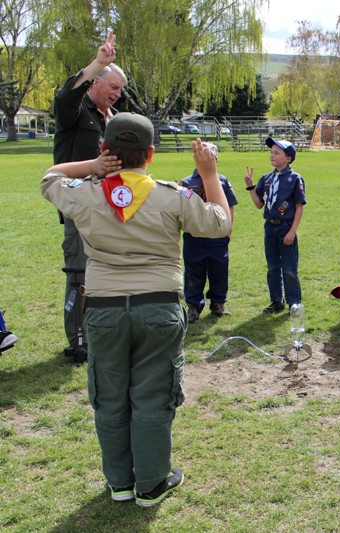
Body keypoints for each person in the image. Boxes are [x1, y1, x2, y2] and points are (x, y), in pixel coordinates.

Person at [41, 113, 231, 507]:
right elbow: (219, 224)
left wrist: (94, 167)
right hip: (158, 307)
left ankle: (120, 483)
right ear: (150, 154)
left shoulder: (86, 192)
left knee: (110, 397)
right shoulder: (169, 194)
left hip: (105, 309)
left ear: (104, 149)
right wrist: (209, 173)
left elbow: (50, 176)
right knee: (152, 395)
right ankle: (150, 483)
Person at [53, 31, 127, 363]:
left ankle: (103, 330)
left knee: (108, 266)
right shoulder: (76, 111)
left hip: (107, 204)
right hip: (78, 204)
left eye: (121, 90)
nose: (117, 94)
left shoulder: (106, 119)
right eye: (113, 87)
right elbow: (64, 97)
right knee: (79, 272)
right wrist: (99, 61)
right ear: (95, 83)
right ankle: (77, 340)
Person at [244, 138, 306, 313]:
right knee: (272, 267)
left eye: (277, 152)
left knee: (289, 268)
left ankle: (294, 303)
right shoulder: (267, 178)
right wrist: (250, 186)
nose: (272, 155)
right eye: (271, 152)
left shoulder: (295, 179)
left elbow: (299, 206)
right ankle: (276, 301)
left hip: (286, 227)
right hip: (270, 227)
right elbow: (259, 204)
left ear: (288, 158)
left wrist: (292, 231)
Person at [180, 143, 239, 323]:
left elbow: (229, 206)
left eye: (210, 155)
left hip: (217, 238)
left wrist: (228, 231)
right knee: (193, 271)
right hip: (194, 237)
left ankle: (218, 303)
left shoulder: (222, 181)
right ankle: (193, 306)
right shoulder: (187, 183)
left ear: (216, 160)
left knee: (219, 270)